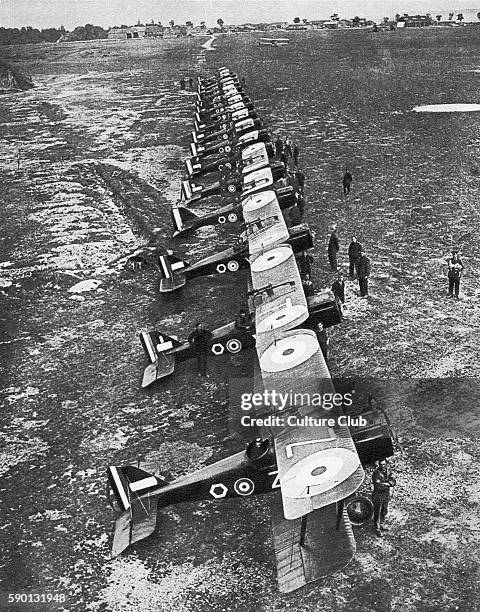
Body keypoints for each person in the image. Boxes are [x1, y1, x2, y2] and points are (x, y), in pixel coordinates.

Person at [371, 459, 396, 536]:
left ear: (386, 464)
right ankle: (376, 528)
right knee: (377, 512)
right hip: (378, 495)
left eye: (384, 464)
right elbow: (378, 486)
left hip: (386, 495)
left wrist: (386, 483)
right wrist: (388, 484)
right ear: (379, 465)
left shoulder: (389, 472)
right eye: (381, 464)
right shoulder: (376, 473)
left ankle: (381, 524)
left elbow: (394, 481)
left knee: (384, 510)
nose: (382, 466)